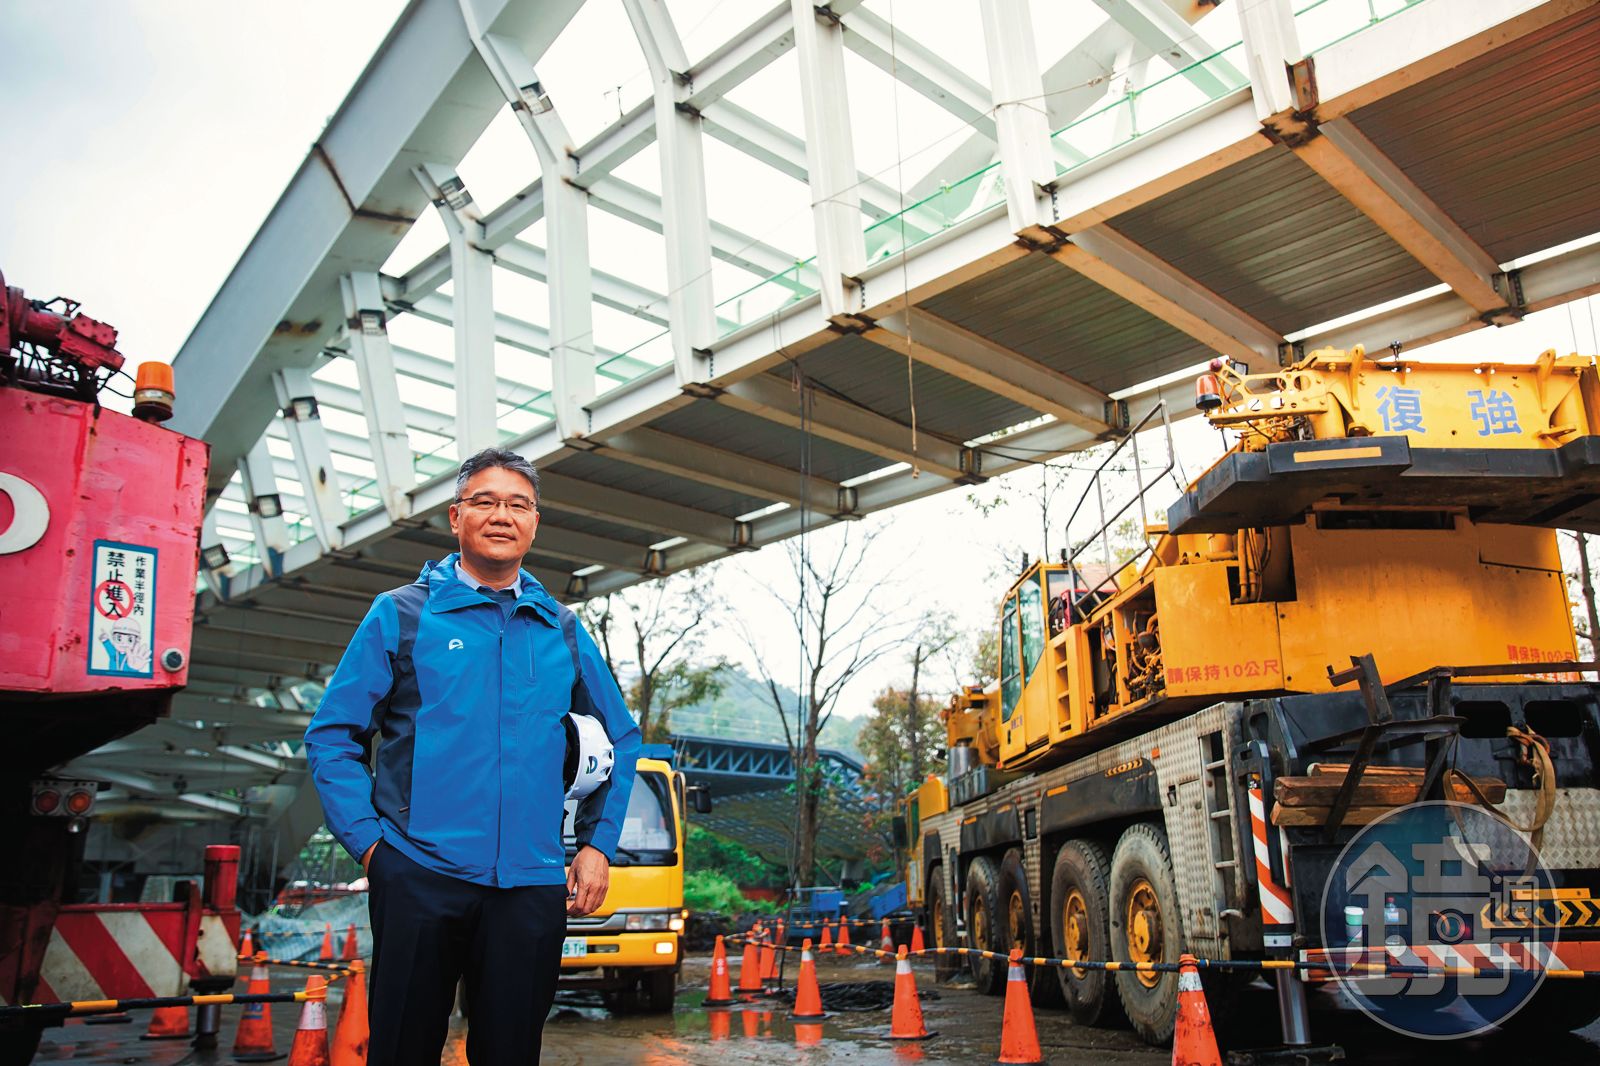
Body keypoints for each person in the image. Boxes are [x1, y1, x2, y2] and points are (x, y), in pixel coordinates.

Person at [304, 448, 640, 1064]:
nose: (501, 515)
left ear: (535, 523)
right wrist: (374, 849)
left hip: (531, 884)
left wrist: (596, 846)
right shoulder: (402, 614)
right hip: (418, 872)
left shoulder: (562, 629)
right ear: (456, 517)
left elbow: (621, 738)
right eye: (484, 501)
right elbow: (332, 736)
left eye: (518, 504)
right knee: (402, 1050)